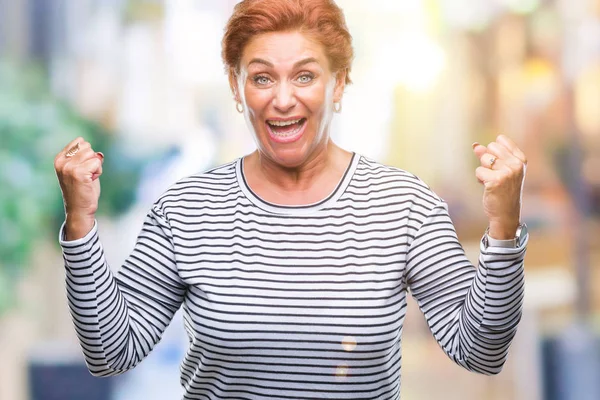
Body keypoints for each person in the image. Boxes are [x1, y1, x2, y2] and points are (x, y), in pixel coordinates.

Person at [54, 0, 528, 399]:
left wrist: (504, 227)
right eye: (262, 78)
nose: (282, 99)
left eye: (305, 76)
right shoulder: (187, 209)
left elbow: (480, 350)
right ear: (237, 89)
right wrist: (80, 221)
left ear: (339, 84)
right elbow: (111, 351)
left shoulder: (404, 204)